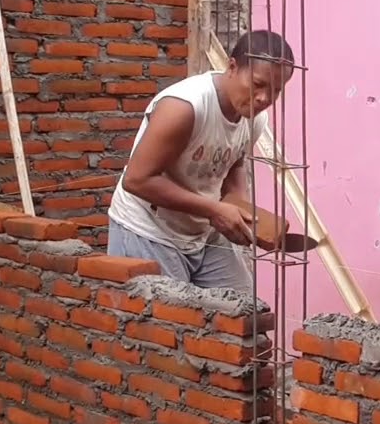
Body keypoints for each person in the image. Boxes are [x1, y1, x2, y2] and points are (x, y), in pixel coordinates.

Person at [107, 30, 295, 291]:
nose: (264, 99)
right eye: (258, 84)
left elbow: (234, 163)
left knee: (243, 315)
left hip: (200, 233)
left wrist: (238, 207)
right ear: (232, 67)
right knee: (170, 324)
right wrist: (215, 210)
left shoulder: (255, 118)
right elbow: (137, 180)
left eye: (276, 90)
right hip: (147, 229)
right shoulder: (185, 107)